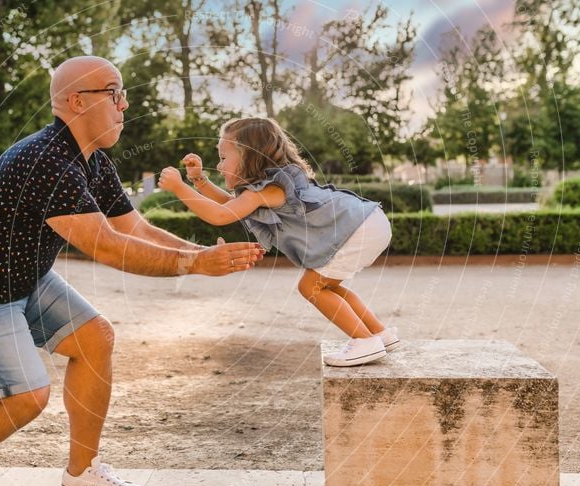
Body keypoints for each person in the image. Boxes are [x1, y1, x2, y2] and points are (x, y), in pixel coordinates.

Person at [0, 56, 264, 486]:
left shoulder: (92, 159)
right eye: (114, 92)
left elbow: (133, 227)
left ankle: (82, 470)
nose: (125, 104)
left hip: (22, 276)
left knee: (95, 338)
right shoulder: (46, 160)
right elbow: (108, 247)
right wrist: (195, 264)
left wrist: (198, 253)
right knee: (25, 396)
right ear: (77, 102)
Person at [158, 116, 400, 368]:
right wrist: (198, 181)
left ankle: (364, 341)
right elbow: (230, 205)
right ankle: (379, 333)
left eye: (223, 158)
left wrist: (179, 189)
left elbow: (221, 215)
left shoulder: (272, 189)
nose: (219, 166)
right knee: (327, 286)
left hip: (358, 227)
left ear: (250, 157)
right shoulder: (266, 189)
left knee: (310, 287)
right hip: (367, 221)